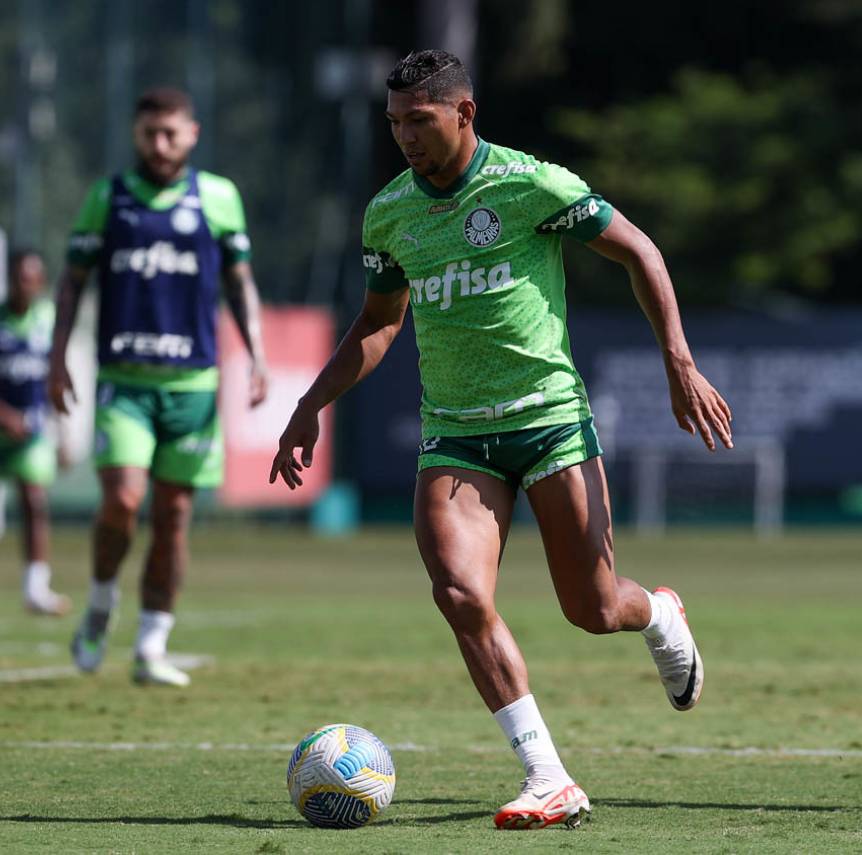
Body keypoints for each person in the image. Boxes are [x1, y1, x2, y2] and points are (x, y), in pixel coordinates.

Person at [271, 50, 731, 831]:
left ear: (464, 113)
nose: (407, 138)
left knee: (591, 608)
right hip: (455, 436)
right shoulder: (389, 213)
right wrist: (311, 401)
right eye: (395, 124)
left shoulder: (530, 185)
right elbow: (382, 321)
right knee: (459, 594)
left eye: (420, 121)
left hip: (549, 420)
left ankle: (655, 612)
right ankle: (548, 775)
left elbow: (640, 252)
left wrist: (678, 362)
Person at [50, 87, 269, 687]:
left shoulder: (219, 197)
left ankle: (151, 645)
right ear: (135, 134)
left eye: (171, 132)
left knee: (173, 516)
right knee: (122, 502)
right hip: (125, 383)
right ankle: (99, 604)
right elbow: (71, 282)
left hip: (194, 387)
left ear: (192, 133)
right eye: (150, 132)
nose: (160, 144)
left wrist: (256, 355)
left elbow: (239, 283)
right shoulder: (109, 197)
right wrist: (56, 357)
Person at [0, 249, 69, 616]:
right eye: (18, 278)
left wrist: (64, 430)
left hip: (32, 432)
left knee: (34, 501)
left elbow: (54, 379)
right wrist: (5, 416)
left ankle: (36, 590)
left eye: (32, 279)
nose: (25, 286)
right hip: (3, 427)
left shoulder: (48, 320)